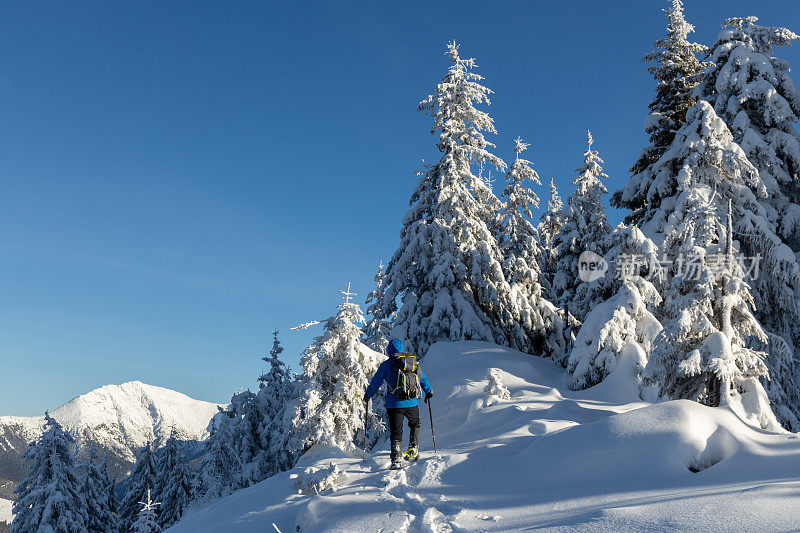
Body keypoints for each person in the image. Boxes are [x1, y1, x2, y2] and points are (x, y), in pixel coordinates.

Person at [364, 339, 432, 469]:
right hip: (412, 402)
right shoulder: (413, 362)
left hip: (394, 404)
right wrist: (429, 391)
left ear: (389, 350)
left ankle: (396, 460)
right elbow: (422, 378)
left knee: (396, 432)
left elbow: (376, 382)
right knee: (415, 424)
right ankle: (413, 450)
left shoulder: (387, 364)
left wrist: (368, 395)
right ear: (402, 348)